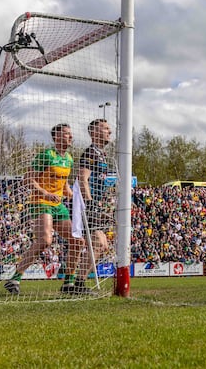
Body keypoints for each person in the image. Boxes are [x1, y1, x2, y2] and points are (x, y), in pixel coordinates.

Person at [4, 124, 89, 295]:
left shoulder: (69, 159)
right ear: (56, 137)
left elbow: (63, 184)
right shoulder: (46, 155)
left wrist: (76, 198)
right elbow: (27, 179)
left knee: (78, 241)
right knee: (45, 241)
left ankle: (69, 282)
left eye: (70, 134)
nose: (70, 137)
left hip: (58, 205)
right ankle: (15, 278)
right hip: (40, 202)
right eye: (66, 134)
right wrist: (46, 193)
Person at [75, 118, 113, 288]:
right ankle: (78, 283)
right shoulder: (91, 153)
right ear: (94, 132)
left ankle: (78, 281)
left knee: (103, 244)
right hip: (86, 205)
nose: (109, 132)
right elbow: (82, 179)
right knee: (97, 242)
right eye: (105, 129)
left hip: (95, 204)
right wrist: (90, 203)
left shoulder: (101, 154)